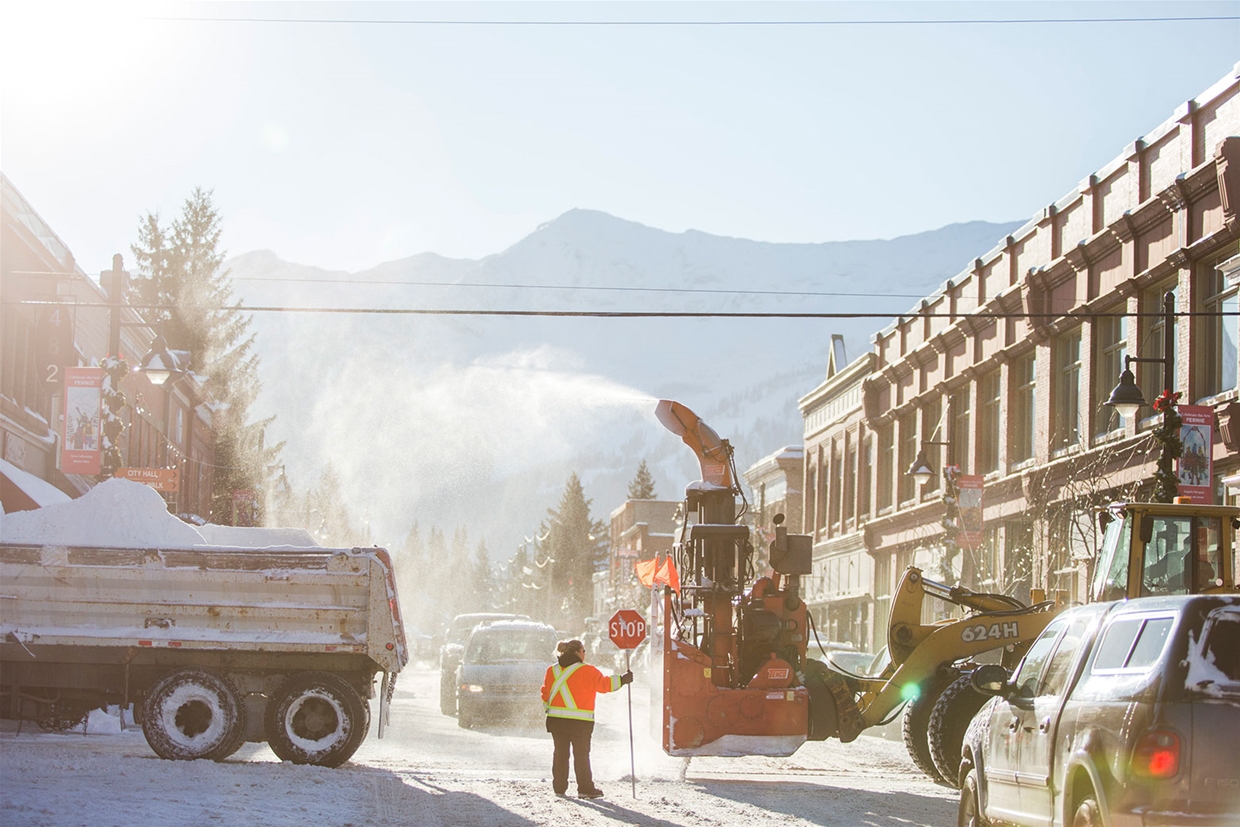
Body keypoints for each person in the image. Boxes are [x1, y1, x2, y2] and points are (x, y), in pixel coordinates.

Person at [541, 638, 633, 799]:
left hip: (556, 720)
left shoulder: (552, 671)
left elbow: (545, 694)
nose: (585, 654)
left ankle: (559, 788)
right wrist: (623, 680)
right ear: (577, 653)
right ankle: (585, 788)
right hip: (580, 723)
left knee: (560, 753)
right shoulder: (588, 670)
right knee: (581, 755)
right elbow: (604, 685)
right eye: (583, 651)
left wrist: (550, 710)